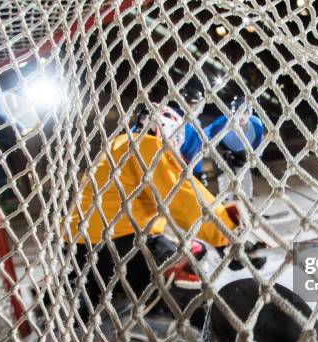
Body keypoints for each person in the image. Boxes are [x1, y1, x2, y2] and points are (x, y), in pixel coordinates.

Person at [67, 104, 241, 323]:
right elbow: (183, 199)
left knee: (179, 245)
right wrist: (226, 233)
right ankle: (180, 315)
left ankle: (107, 294)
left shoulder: (118, 144)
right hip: (116, 247)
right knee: (187, 261)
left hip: (81, 249)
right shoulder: (147, 146)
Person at [206, 96, 264, 200]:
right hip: (222, 149)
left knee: (245, 174)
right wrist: (214, 150)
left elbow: (258, 144)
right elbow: (206, 133)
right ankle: (227, 202)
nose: (241, 117)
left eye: (244, 113)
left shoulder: (256, 124)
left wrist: (257, 160)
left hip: (241, 150)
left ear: (249, 113)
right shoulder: (222, 122)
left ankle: (247, 203)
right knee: (225, 177)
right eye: (237, 114)